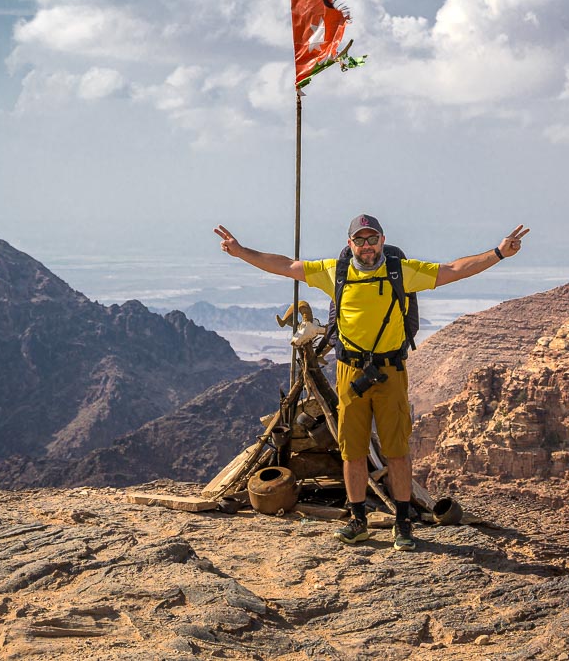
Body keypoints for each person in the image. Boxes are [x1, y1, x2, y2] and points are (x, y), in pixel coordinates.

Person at [214, 215, 529, 551]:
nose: (366, 246)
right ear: (350, 244)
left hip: (390, 371)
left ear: (382, 239)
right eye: (359, 240)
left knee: (396, 450)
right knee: (352, 450)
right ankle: (357, 520)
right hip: (350, 372)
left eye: (372, 239)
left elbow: (452, 270)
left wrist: (497, 253)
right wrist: (241, 251)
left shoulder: (400, 271)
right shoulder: (335, 271)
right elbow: (286, 265)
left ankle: (403, 523)